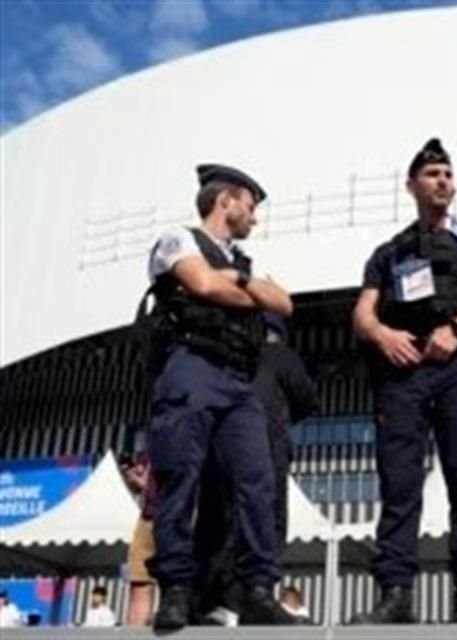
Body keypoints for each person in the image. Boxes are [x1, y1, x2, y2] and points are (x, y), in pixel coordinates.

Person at [351, 138, 457, 624]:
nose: (442, 181)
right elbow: (362, 312)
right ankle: (395, 594)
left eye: (447, 174)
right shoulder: (390, 251)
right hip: (403, 371)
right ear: (411, 185)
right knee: (399, 485)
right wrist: (382, 334)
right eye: (431, 174)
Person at [143, 163, 297, 630]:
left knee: (257, 483)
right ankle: (175, 589)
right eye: (250, 207)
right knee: (181, 479)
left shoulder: (242, 265)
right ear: (225, 200)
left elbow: (285, 304)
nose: (255, 218)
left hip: (237, 381)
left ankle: (257, 589)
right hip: (191, 367)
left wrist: (243, 282)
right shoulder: (178, 240)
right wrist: (251, 290)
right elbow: (203, 284)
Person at [191, 311, 319, 624]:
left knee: (217, 523)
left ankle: (209, 603)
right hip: (266, 446)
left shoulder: (221, 358)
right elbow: (308, 399)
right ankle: (252, 596)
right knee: (266, 519)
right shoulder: (278, 355)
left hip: (219, 451)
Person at [120, 452, 157, 625]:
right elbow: (138, 486)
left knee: (178, 585)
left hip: (181, 514)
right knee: (139, 582)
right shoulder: (147, 451)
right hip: (148, 517)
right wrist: (129, 474)